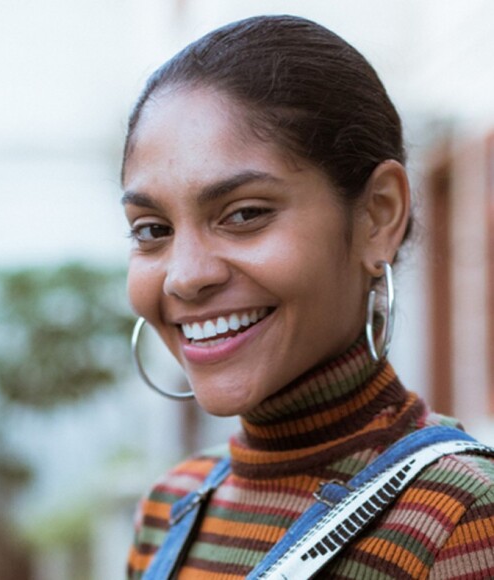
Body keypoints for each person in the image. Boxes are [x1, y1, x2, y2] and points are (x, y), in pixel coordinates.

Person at [121, 14, 494, 579]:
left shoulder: (458, 521)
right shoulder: (171, 509)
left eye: (244, 215)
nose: (185, 277)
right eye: (152, 230)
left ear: (378, 215)